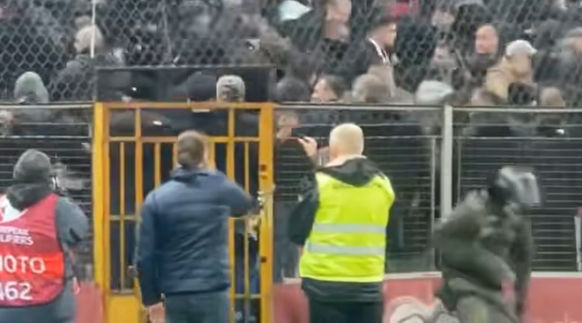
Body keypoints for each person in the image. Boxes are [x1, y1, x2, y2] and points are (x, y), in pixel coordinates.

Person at [135, 130, 258, 323]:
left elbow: (145, 256)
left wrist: (152, 300)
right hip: (213, 291)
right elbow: (245, 204)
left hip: (175, 294)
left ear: (177, 157)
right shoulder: (218, 186)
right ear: (205, 156)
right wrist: (214, 174)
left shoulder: (156, 198)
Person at [287, 123, 395, 323]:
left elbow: (297, 232)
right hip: (368, 281)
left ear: (333, 148)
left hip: (324, 283)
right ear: (361, 147)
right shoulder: (383, 184)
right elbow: (392, 232)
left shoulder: (319, 183)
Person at [0, 148, 90, 323]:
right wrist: (58, 193)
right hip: (50, 305)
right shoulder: (58, 207)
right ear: (49, 179)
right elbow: (80, 229)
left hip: (4, 304)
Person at [433, 167, 537, 323]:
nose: (519, 213)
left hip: (493, 291)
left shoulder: (515, 223)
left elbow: (524, 262)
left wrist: (520, 300)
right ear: (502, 197)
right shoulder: (472, 211)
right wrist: (485, 261)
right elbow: (440, 236)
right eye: (516, 205)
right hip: (464, 287)